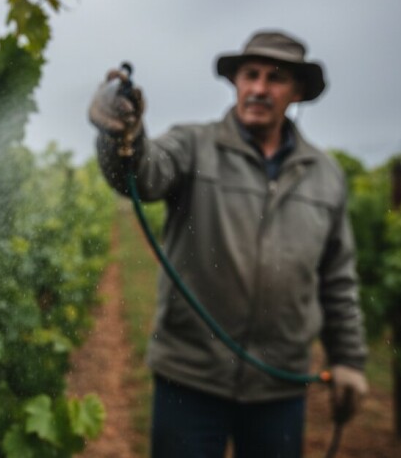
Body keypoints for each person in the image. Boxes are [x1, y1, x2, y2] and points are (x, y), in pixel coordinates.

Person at [88, 30, 369, 457]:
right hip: (190, 376)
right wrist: (119, 135)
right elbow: (142, 173)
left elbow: (337, 278)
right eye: (250, 75)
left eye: (275, 78)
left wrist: (348, 360)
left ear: (296, 92)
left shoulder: (324, 175)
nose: (259, 88)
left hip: (280, 383)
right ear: (236, 82)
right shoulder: (194, 145)